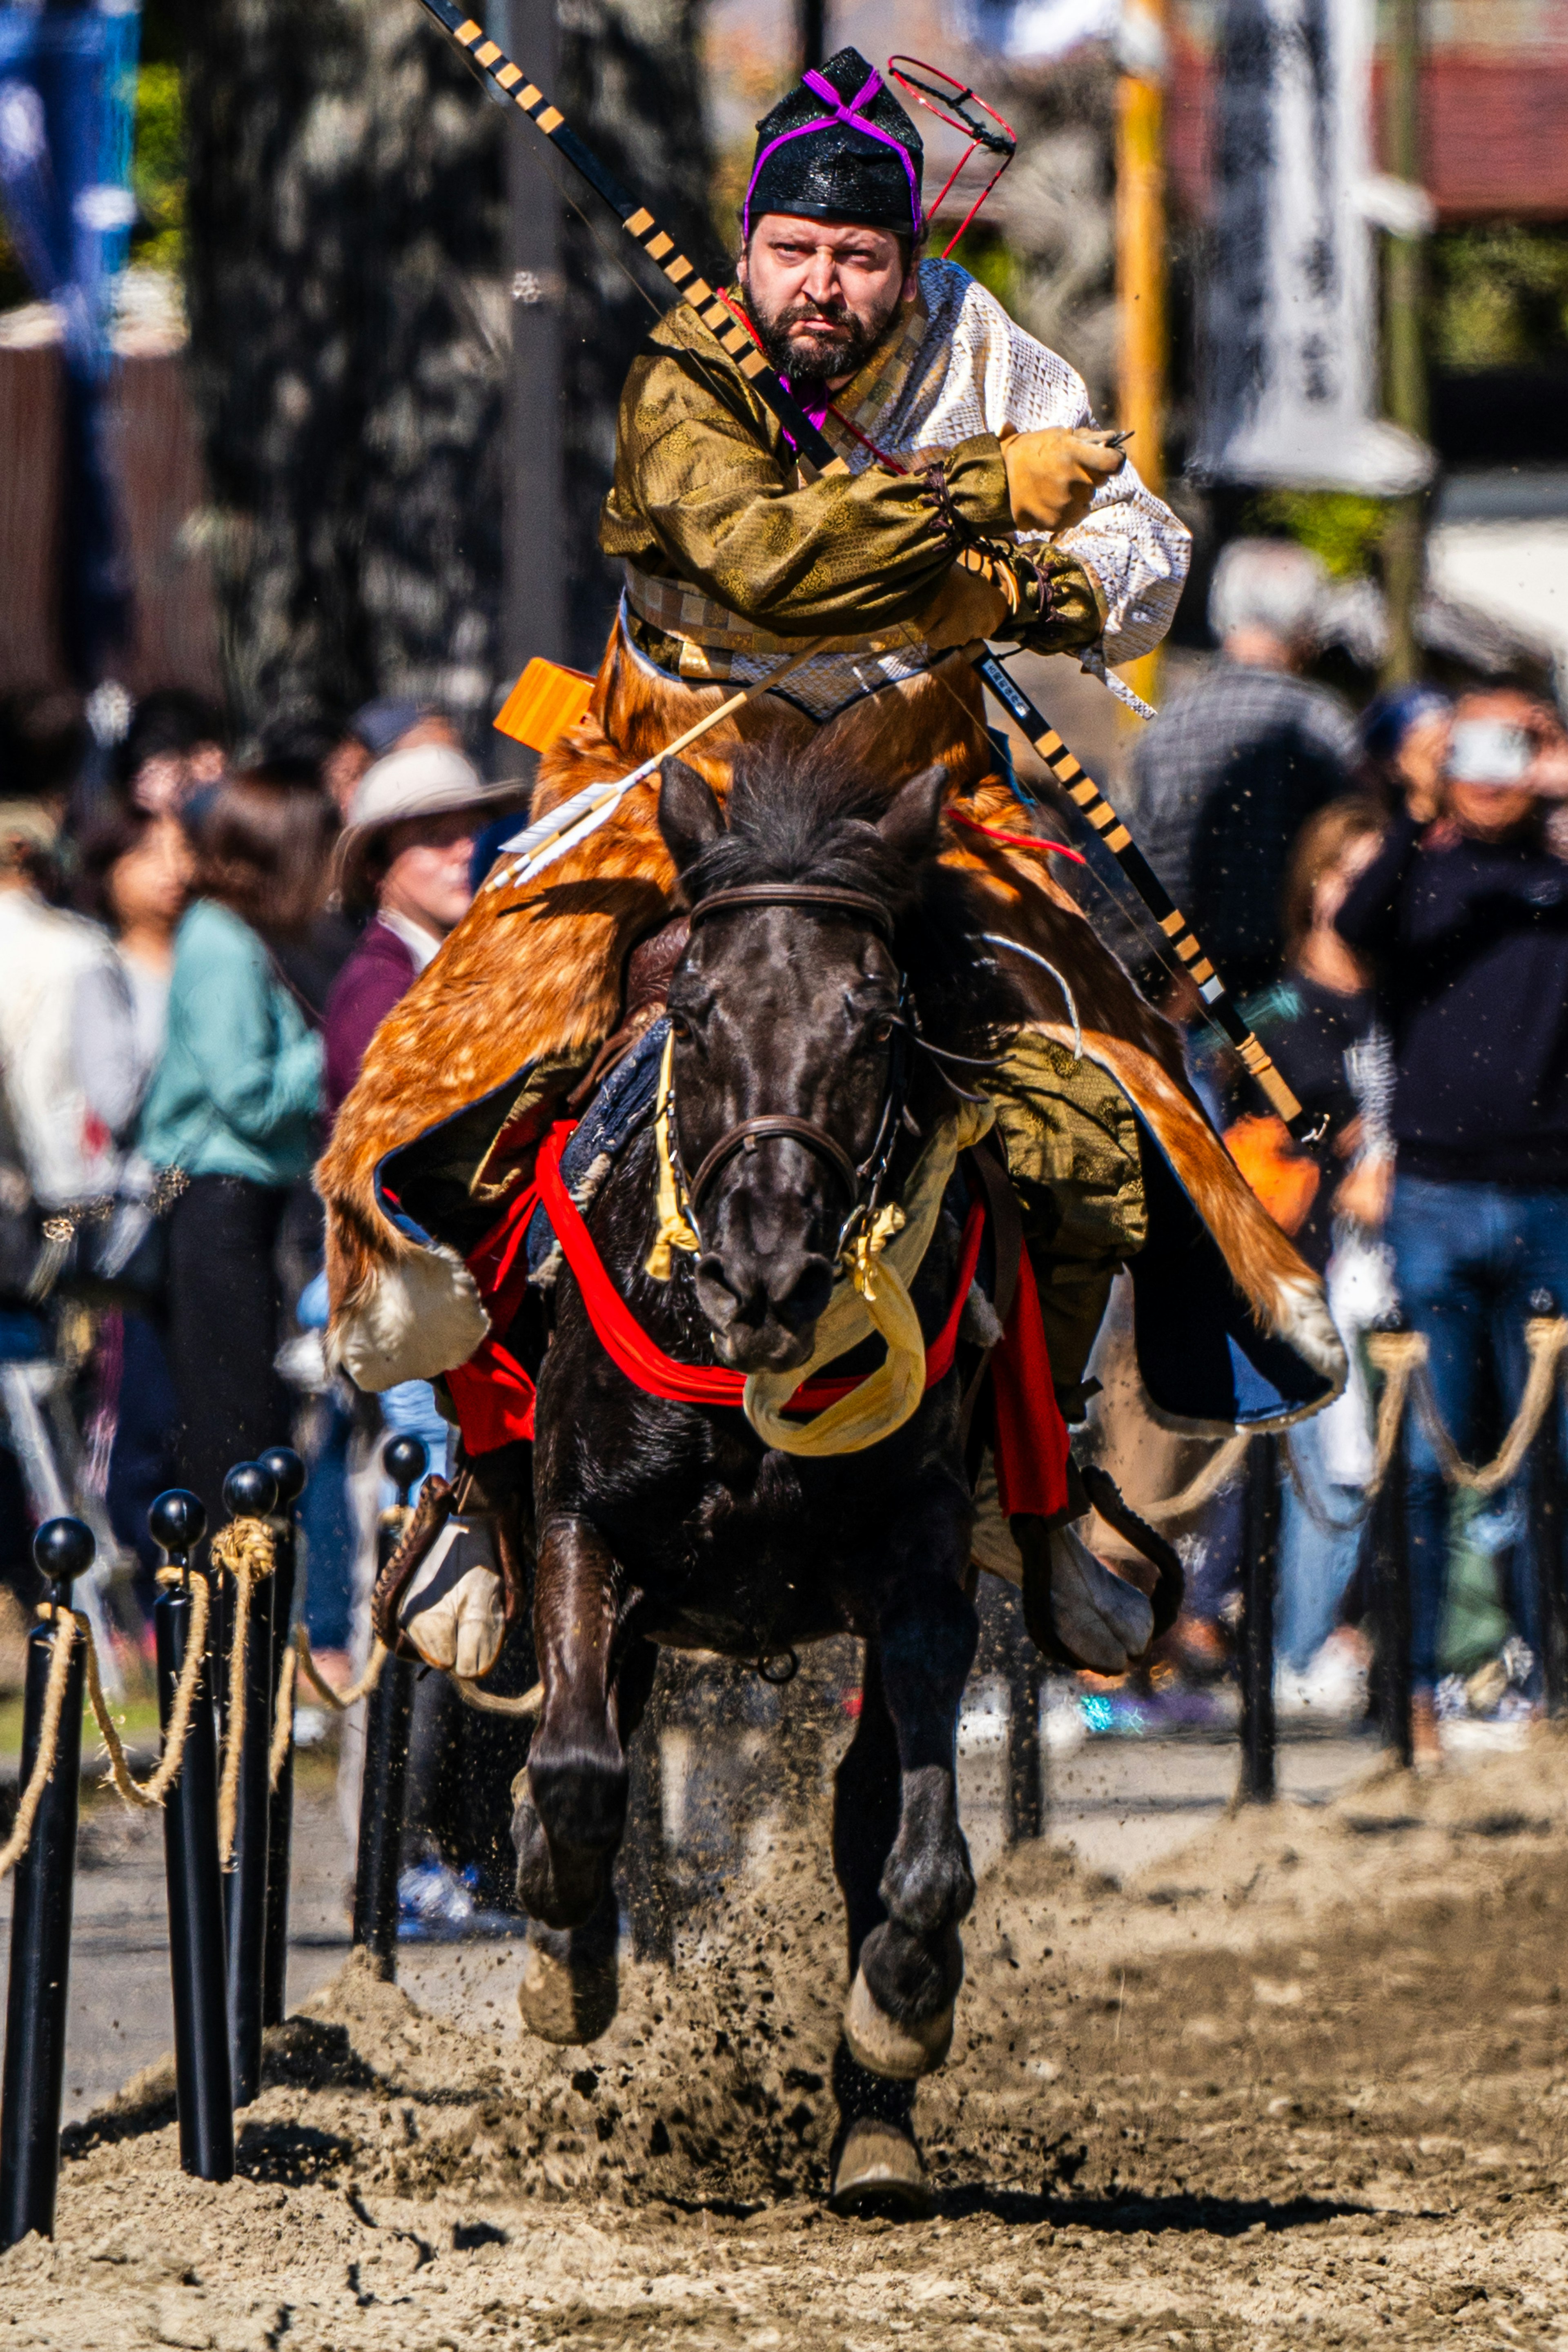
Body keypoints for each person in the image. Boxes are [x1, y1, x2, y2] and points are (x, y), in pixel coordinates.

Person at [1336, 686, 1568, 1767]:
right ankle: (1413, 1689)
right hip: (1433, 1194)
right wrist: (1414, 798)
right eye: (1472, 745)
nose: (1492, 767)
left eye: (1511, 745)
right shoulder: (1422, 878)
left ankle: (1549, 1685)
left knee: (1553, 1456)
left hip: (1551, 1196)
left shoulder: (1557, 882)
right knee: (1431, 1455)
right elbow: (1350, 928)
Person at [138, 768, 332, 1530]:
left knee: (250, 1415)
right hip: (215, 1201)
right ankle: (225, 1630)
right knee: (233, 1425)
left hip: (242, 1200)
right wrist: (340, 1048)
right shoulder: (220, 938)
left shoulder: (241, 933)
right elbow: (244, 1094)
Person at [1131, 540, 1361, 1003]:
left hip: (1186, 979)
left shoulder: (1168, 723)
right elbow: (1350, 846)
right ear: (1307, 623)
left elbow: (1148, 857)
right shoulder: (1321, 719)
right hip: (1294, 983)